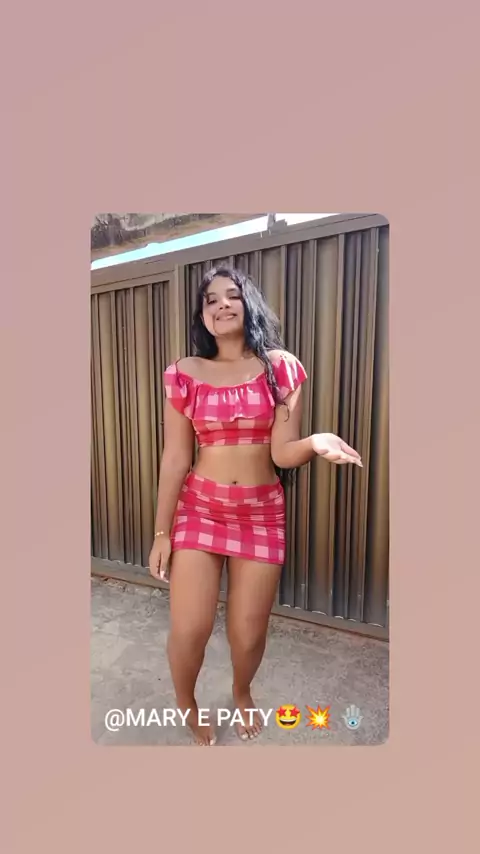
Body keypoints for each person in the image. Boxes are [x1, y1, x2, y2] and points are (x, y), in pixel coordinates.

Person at [148, 265, 362, 745]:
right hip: (200, 511)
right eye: (210, 300)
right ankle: (186, 701)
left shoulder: (280, 368)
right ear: (202, 315)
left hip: (261, 515)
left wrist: (316, 442)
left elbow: (282, 453)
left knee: (248, 634)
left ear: (249, 305)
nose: (222, 304)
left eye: (232, 295)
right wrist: (162, 532)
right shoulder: (183, 373)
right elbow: (176, 457)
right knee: (190, 629)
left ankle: (242, 691)